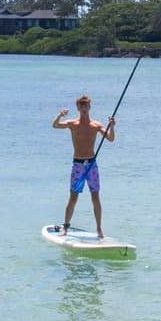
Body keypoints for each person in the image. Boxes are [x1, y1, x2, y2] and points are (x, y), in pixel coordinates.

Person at [52, 93, 116, 236]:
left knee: (95, 197)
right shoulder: (72, 124)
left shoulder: (96, 125)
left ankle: (99, 228)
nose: (84, 109)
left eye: (86, 106)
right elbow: (55, 125)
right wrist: (60, 115)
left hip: (91, 165)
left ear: (89, 107)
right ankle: (66, 227)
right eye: (81, 106)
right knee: (73, 197)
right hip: (78, 165)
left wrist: (111, 126)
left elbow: (111, 139)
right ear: (78, 108)